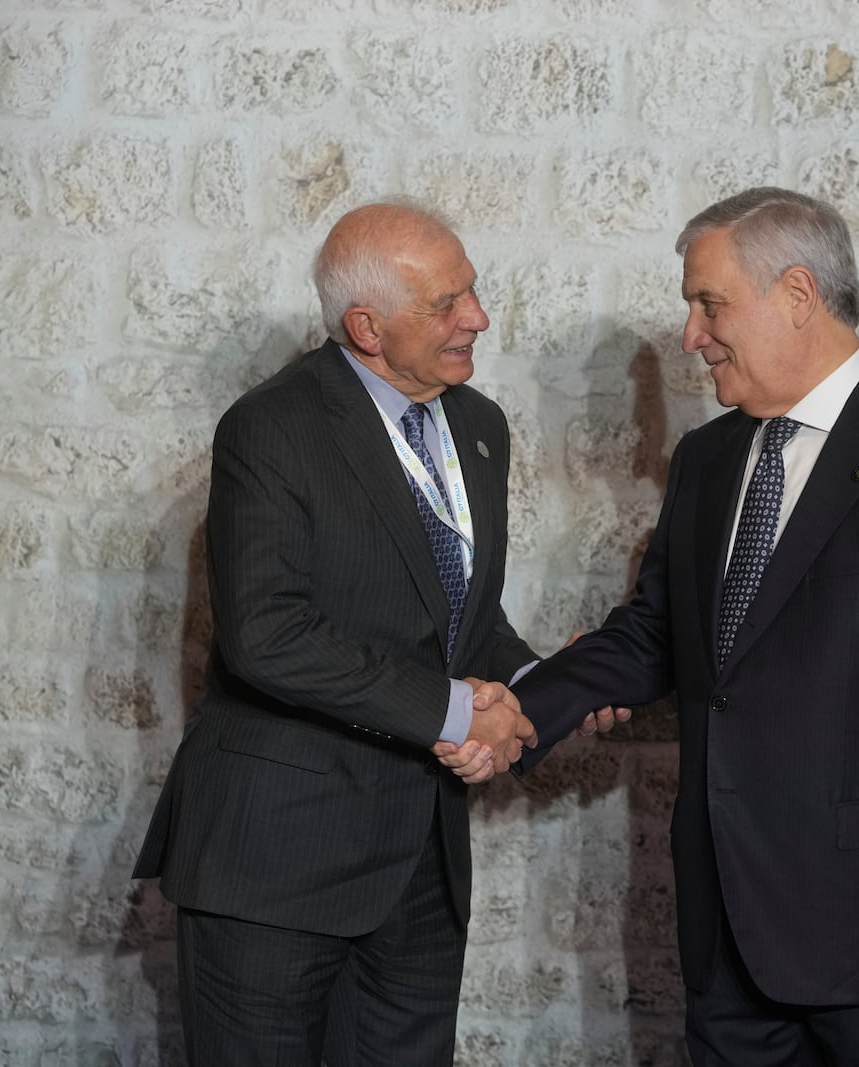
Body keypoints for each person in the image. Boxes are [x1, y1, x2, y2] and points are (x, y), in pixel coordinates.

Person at [503, 188, 859, 1064]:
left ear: (797, 294)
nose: (691, 335)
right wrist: (520, 708)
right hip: (727, 940)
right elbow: (655, 636)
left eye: (708, 303)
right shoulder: (708, 460)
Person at [132, 200, 612, 1064]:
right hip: (276, 866)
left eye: (472, 291)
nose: (478, 317)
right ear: (366, 326)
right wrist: (458, 715)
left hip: (420, 870)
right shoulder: (271, 428)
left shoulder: (479, 426)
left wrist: (544, 683)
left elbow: (458, 620)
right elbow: (268, 634)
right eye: (446, 304)